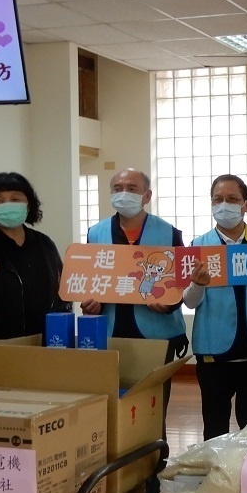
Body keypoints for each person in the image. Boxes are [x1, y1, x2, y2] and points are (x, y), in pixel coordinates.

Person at [82, 168, 189, 428]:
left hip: (157, 334)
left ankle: (155, 460)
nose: (124, 193)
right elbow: (89, 278)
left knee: (153, 407)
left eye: (132, 188)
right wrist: (89, 303)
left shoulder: (169, 233)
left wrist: (170, 303)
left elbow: (182, 282)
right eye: (118, 188)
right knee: (113, 407)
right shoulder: (95, 233)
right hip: (111, 332)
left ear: (147, 195)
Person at [181, 175, 247, 439]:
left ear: (246, 205)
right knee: (214, 426)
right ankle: (216, 476)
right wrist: (198, 285)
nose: (225, 205)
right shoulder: (198, 247)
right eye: (218, 199)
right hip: (213, 351)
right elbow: (188, 301)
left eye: (232, 199)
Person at [0, 171, 71, 339]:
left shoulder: (44, 244)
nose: (8, 205)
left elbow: (62, 292)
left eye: (15, 199)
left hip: (45, 343)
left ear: (28, 205)